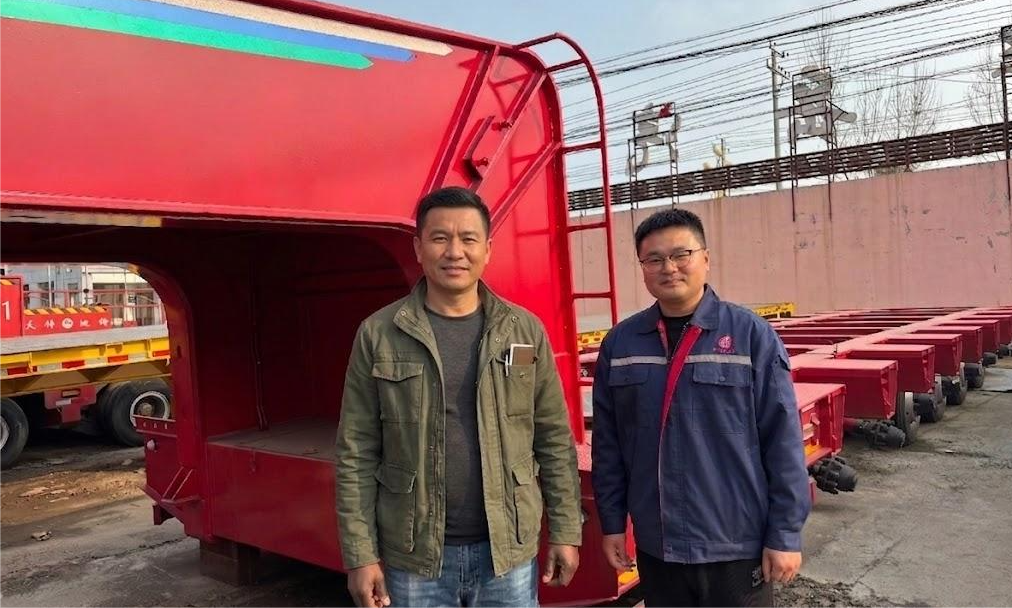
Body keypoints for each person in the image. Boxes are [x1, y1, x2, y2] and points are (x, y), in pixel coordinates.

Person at [335, 186, 582, 608]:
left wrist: (565, 530)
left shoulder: (523, 331)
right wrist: (361, 555)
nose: (455, 252)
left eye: (468, 239)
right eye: (439, 238)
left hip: (507, 553)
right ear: (418, 248)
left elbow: (554, 439)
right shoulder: (379, 334)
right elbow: (356, 451)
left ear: (487, 249)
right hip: (414, 557)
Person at [592, 208, 810, 608]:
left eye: (681, 255)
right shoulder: (621, 345)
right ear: (642, 268)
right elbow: (609, 446)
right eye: (654, 259)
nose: (668, 268)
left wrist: (785, 534)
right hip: (659, 545)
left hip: (735, 544)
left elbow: (783, 441)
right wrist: (612, 524)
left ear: (705, 259)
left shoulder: (749, 335)